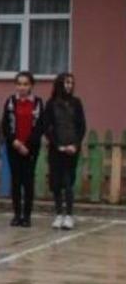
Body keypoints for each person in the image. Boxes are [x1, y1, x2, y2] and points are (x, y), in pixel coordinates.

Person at [1, 71, 45, 228]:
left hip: (31, 149)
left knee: (28, 181)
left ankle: (27, 216)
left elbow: (40, 126)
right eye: (19, 84)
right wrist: (15, 142)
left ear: (31, 86)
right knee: (16, 181)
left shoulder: (38, 102)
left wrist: (28, 145)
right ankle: (16, 215)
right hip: (14, 147)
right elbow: (5, 125)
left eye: (25, 84)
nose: (22, 87)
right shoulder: (11, 101)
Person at [45, 72, 85, 229]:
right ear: (59, 84)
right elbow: (47, 128)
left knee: (68, 182)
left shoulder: (77, 103)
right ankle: (58, 214)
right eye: (66, 82)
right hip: (57, 149)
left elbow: (82, 126)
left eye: (71, 83)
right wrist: (58, 145)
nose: (69, 85)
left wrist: (75, 145)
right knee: (56, 183)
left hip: (72, 149)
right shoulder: (51, 103)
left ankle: (69, 215)